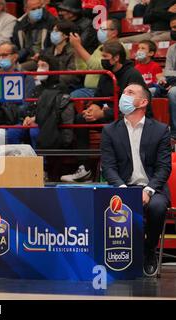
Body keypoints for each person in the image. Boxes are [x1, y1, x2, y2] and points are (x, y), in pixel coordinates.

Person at [101, 83, 171, 277]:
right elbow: (108, 167)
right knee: (109, 205)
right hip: (122, 187)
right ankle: (123, 254)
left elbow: (164, 167)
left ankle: (149, 250)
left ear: (143, 102)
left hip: (152, 188)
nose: (124, 95)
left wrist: (148, 191)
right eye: (123, 92)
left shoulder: (160, 130)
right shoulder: (109, 130)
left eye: (130, 92)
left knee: (157, 207)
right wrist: (124, 190)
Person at [61, 40, 148, 182]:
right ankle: (84, 170)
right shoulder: (106, 75)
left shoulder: (132, 75)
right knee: (81, 119)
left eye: (105, 57)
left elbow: (133, 107)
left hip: (132, 116)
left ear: (116, 58)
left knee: (118, 123)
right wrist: (93, 108)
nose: (102, 61)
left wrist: (103, 113)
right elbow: (98, 98)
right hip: (111, 115)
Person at [69, 18, 129, 99]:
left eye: (103, 29)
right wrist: (77, 51)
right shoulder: (100, 48)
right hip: (88, 89)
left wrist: (78, 46)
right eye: (99, 29)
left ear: (114, 33)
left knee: (71, 97)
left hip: (103, 91)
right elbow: (83, 69)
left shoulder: (121, 47)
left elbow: (96, 66)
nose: (99, 32)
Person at [11, 0, 56, 69]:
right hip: (24, 58)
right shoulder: (20, 24)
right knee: (2, 69)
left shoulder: (51, 21)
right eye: (33, 9)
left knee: (18, 69)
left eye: (39, 7)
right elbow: (15, 44)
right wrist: (16, 56)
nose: (37, 11)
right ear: (25, 10)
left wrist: (41, 55)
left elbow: (54, 46)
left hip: (43, 59)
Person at [163, 15, 176, 140]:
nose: (174, 31)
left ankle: (175, 133)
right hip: (172, 82)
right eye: (172, 28)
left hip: (174, 86)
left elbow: (170, 72)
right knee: (148, 92)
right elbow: (167, 72)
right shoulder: (172, 49)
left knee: (173, 92)